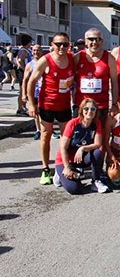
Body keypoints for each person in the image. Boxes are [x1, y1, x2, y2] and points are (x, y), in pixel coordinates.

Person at [27, 33, 75, 185]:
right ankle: (45, 169)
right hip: (47, 105)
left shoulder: (71, 59)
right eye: (58, 44)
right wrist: (31, 103)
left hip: (64, 105)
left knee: (65, 138)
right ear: (52, 44)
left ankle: (61, 167)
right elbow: (31, 81)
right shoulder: (45, 60)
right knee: (45, 136)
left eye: (65, 44)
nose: (62, 47)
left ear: (69, 45)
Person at [53, 98, 108, 194]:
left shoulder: (96, 123)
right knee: (74, 189)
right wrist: (66, 167)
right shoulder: (73, 123)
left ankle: (95, 181)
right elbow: (63, 147)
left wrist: (83, 148)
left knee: (97, 153)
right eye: (86, 109)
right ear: (81, 110)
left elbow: (98, 144)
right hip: (66, 159)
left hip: (81, 158)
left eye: (93, 109)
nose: (89, 111)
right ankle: (59, 173)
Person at [73, 28, 119, 124]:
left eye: (98, 39)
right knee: (78, 136)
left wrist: (114, 104)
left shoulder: (109, 58)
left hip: (100, 105)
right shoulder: (78, 57)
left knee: (99, 135)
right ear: (86, 41)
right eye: (91, 39)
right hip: (81, 105)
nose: (94, 42)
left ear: (102, 41)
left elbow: (114, 82)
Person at [21, 44, 44, 140]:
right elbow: (25, 80)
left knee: (45, 112)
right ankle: (38, 130)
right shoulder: (30, 65)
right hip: (34, 92)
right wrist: (23, 94)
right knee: (36, 113)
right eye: (34, 50)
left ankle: (46, 130)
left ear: (42, 51)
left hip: (45, 92)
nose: (36, 52)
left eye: (38, 50)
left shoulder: (46, 63)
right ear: (31, 52)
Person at [15, 34, 33, 115]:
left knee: (24, 90)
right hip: (22, 73)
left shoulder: (25, 50)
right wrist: (25, 70)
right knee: (23, 90)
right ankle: (21, 109)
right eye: (30, 42)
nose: (31, 44)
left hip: (24, 72)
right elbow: (19, 60)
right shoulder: (23, 51)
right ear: (27, 43)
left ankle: (23, 107)